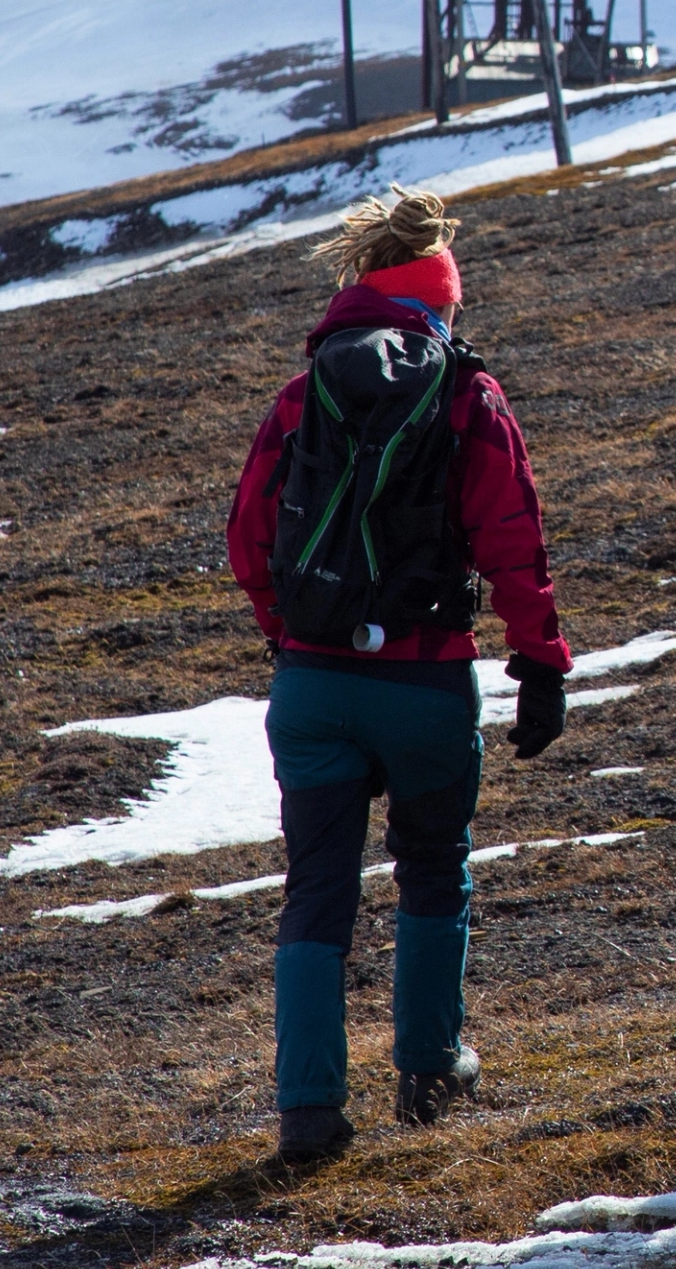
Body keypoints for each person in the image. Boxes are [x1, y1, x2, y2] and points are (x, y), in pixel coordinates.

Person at [224, 186, 575, 1169]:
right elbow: (516, 540)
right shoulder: (468, 393)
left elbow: (250, 536)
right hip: (424, 680)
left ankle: (307, 1111)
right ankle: (428, 1069)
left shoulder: (303, 397)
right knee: (432, 868)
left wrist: (287, 634)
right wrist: (540, 661)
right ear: (440, 299)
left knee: (317, 891)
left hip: (313, 684)